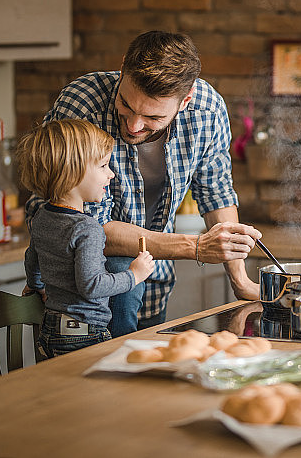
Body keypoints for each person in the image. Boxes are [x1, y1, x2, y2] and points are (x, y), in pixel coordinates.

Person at [26, 30, 261, 337]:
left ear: (185, 100)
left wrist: (240, 281)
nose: (134, 125)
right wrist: (196, 247)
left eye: (152, 117)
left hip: (152, 280)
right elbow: (87, 227)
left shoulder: (207, 111)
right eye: (125, 104)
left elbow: (215, 193)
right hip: (81, 302)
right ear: (123, 66)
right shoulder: (83, 104)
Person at [17, 119, 155, 358]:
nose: (111, 174)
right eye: (103, 166)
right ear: (74, 172)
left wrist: (36, 286)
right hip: (84, 335)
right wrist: (135, 275)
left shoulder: (42, 216)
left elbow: (32, 260)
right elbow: (92, 286)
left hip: (50, 330)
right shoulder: (87, 228)